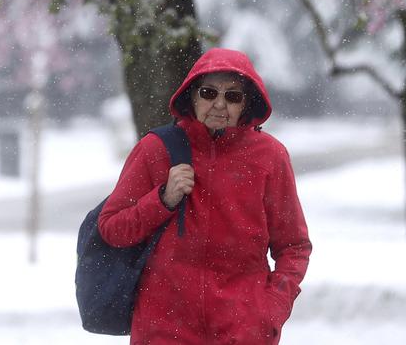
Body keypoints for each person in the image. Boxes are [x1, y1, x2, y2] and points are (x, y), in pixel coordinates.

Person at [98, 47, 311, 344]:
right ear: (193, 95)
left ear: (247, 103)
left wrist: (270, 310)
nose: (219, 105)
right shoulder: (155, 149)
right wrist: (162, 199)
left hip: (242, 332)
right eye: (209, 93)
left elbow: (294, 246)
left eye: (233, 96)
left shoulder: (271, 157)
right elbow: (112, 228)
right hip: (163, 328)